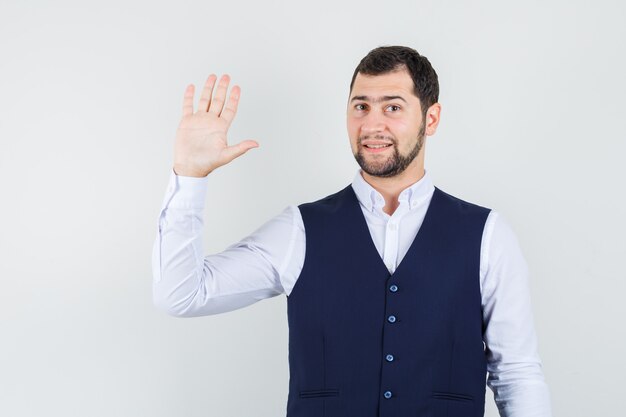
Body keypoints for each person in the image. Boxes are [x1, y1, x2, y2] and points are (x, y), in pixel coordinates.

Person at [152, 46, 552, 417]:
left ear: (431, 118)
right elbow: (182, 295)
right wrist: (189, 175)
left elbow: (516, 374)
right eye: (360, 106)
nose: (371, 124)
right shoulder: (299, 230)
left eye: (392, 107)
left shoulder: (487, 235)